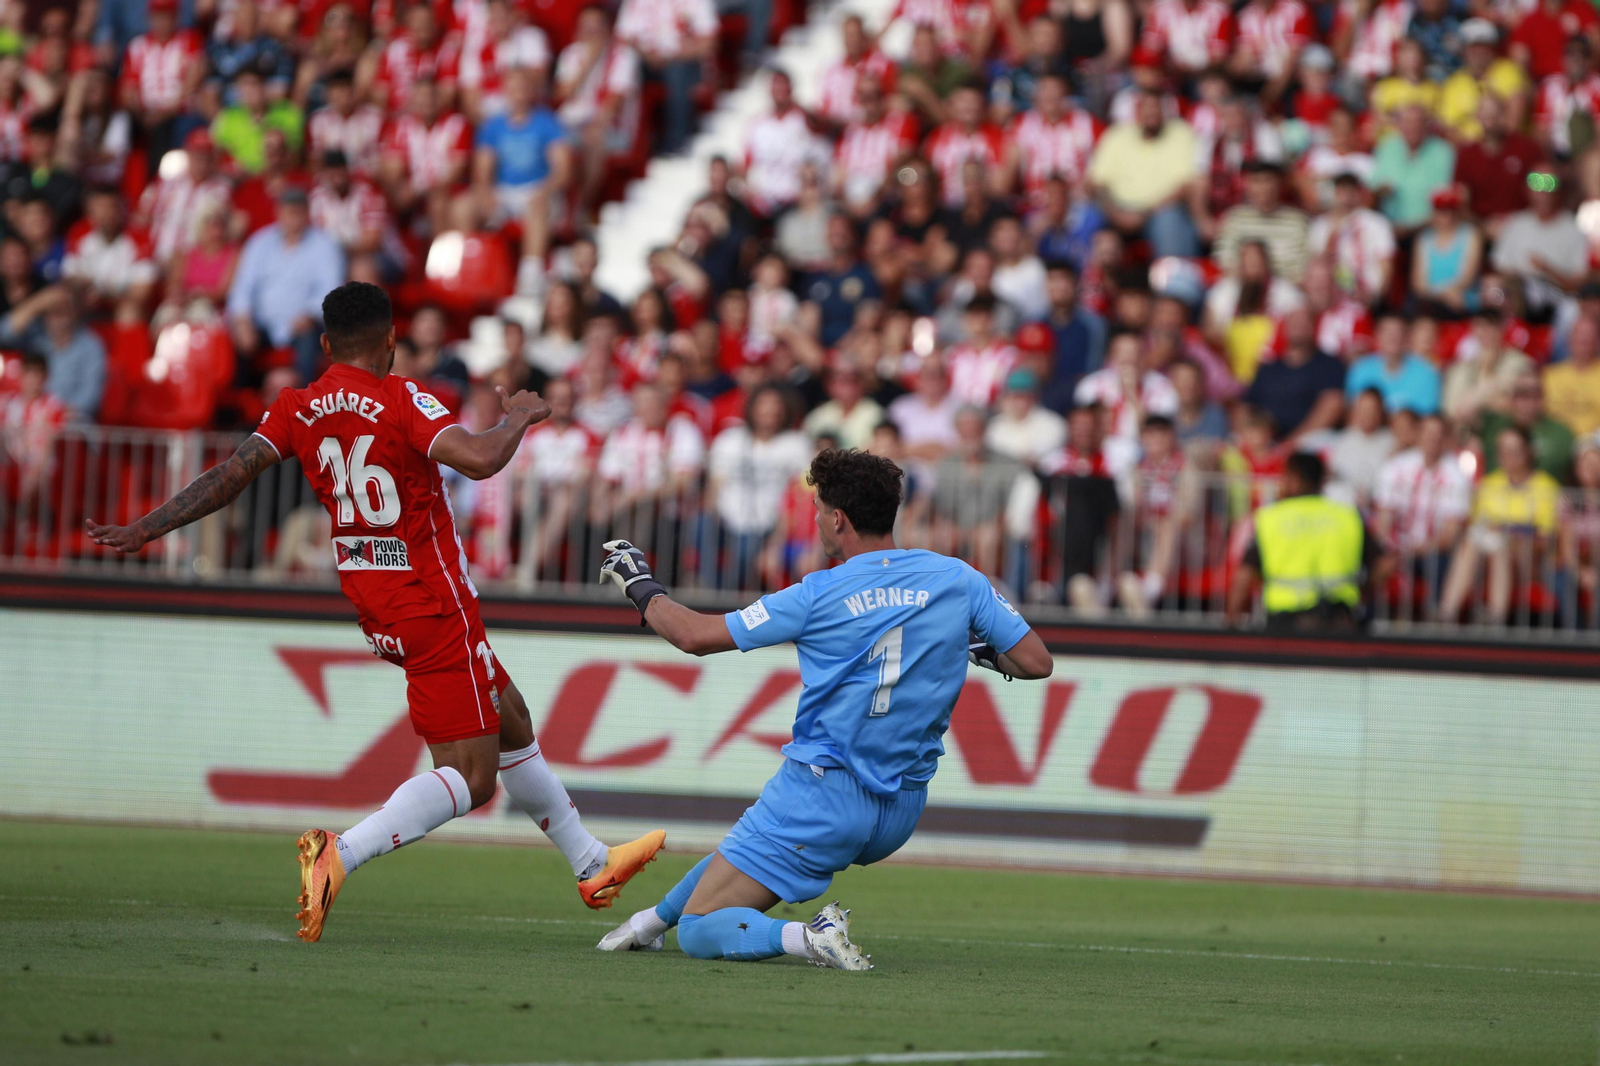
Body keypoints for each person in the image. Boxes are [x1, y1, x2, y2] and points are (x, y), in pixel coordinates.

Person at [85, 282, 666, 942]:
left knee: (512, 717)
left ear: (327, 345)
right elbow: (477, 460)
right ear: (391, 341)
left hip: (377, 603)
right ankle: (341, 853)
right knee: (473, 781)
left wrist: (146, 529)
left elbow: (229, 477)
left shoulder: (298, 406)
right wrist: (518, 418)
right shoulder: (401, 398)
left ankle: (590, 862)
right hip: (434, 604)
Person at [593, 447, 1054, 967]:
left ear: (838, 519)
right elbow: (1036, 661)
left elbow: (694, 636)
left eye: (816, 509)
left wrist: (638, 581)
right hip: (901, 808)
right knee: (741, 852)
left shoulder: (817, 594)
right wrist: (973, 648)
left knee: (700, 931)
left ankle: (810, 937)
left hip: (825, 794)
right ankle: (648, 923)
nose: (813, 520)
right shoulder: (956, 578)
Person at [1227, 450, 1385, 631]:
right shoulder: (1347, 516)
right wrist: (1364, 591)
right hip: (1339, 622)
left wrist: (1230, 625)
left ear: (1293, 478)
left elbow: (1243, 579)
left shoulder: (1269, 519)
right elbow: (1385, 563)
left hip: (1285, 627)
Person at [1438, 425, 1562, 624]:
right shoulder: (1488, 484)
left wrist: (1506, 533)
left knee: (1499, 544)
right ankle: (1447, 612)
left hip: (1529, 559)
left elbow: (1544, 539)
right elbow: (1477, 527)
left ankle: (1496, 617)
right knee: (1473, 543)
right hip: (1485, 556)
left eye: (1515, 450)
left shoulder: (1547, 487)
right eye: (1504, 451)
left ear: (1528, 451)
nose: (1509, 456)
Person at [226, 187, 347, 384]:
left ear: (307, 214)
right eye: (288, 212)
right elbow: (242, 288)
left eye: (297, 213)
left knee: (310, 338)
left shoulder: (325, 245)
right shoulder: (260, 243)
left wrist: (310, 313)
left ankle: (304, 403)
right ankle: (242, 405)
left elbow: (331, 289)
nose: (292, 219)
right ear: (278, 213)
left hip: (304, 324)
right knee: (234, 340)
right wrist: (242, 319)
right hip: (261, 323)